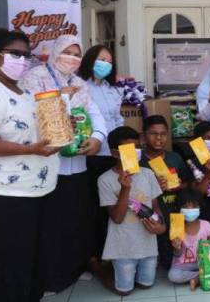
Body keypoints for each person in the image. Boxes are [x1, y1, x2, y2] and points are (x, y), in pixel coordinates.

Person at [0, 29, 60, 302]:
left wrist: (61, 132)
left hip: (37, 192)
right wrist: (29, 150)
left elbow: (36, 137)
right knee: (11, 268)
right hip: (6, 196)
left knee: (33, 265)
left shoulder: (26, 92)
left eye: (26, 55)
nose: (22, 59)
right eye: (15, 53)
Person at [21, 34, 107, 293]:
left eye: (76, 53)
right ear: (55, 51)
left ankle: (74, 269)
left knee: (75, 218)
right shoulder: (34, 77)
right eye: (67, 52)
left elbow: (94, 114)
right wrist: (62, 97)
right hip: (48, 164)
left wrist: (97, 138)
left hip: (77, 163)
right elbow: (31, 114)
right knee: (52, 222)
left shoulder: (80, 83)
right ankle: (51, 277)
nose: (72, 58)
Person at [97, 126, 165, 296]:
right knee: (124, 291)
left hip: (147, 243)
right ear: (114, 153)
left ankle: (125, 272)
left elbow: (155, 207)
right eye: (129, 149)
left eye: (137, 148)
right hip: (123, 246)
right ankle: (99, 269)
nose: (135, 152)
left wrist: (161, 226)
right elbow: (117, 218)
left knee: (146, 285)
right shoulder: (105, 180)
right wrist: (125, 189)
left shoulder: (148, 174)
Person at [78, 44, 124, 268]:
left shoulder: (114, 90)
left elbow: (117, 121)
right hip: (90, 155)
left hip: (110, 155)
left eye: (108, 60)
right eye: (100, 59)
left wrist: (122, 151)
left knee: (112, 205)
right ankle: (92, 255)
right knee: (92, 207)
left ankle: (110, 253)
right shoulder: (80, 87)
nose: (105, 64)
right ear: (90, 60)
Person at [139, 115, 193, 269]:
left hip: (174, 214)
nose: (159, 138)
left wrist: (177, 186)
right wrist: (153, 186)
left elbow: (187, 183)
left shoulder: (174, 157)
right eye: (153, 133)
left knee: (172, 261)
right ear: (143, 136)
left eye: (163, 134)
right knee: (154, 261)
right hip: (150, 217)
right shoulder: (139, 161)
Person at [168, 190, 210, 291]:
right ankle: (201, 276)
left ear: (200, 208)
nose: (190, 209)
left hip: (202, 262)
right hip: (182, 265)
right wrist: (177, 248)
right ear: (179, 209)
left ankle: (197, 278)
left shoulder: (206, 225)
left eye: (194, 206)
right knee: (172, 276)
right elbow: (177, 254)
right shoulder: (176, 227)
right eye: (186, 206)